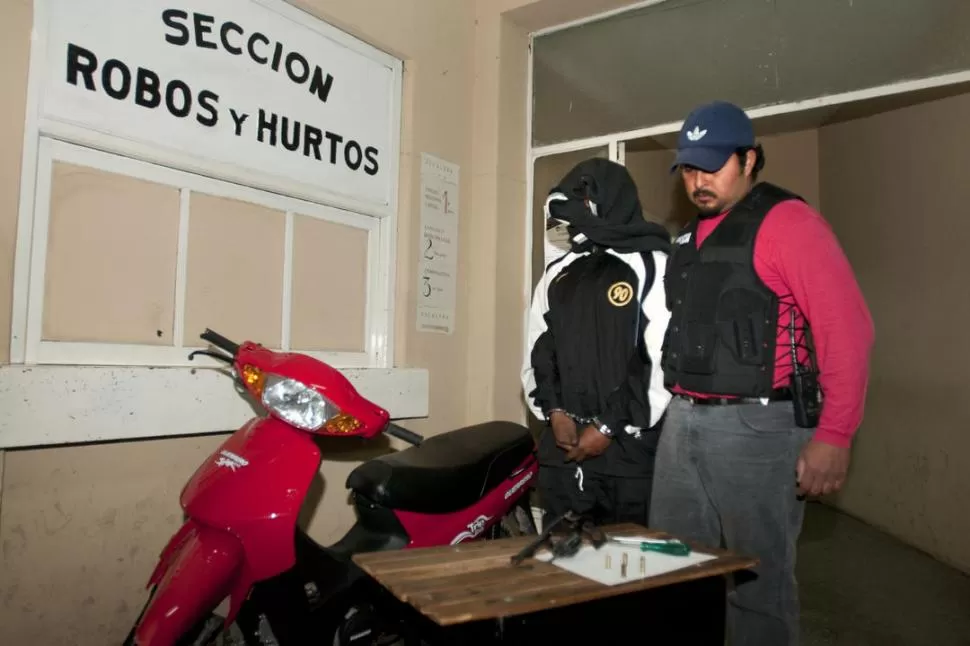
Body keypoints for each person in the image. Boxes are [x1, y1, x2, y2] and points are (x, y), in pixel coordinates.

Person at [652, 100, 875, 646]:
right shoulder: (688, 239)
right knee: (670, 573)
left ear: (749, 159)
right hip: (683, 423)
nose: (698, 180)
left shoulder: (790, 224)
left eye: (713, 165)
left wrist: (835, 434)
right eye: (689, 168)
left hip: (760, 430)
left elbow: (848, 330)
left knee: (757, 585)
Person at [521, 157, 673, 530]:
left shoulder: (652, 263)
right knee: (562, 565)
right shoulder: (557, 274)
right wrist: (553, 411)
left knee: (632, 571)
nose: (576, 214)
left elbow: (658, 357)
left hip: (629, 453)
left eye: (585, 202)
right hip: (563, 451)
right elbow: (540, 350)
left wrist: (607, 426)